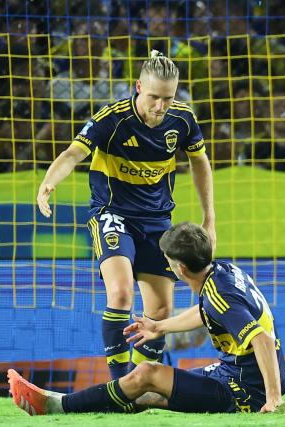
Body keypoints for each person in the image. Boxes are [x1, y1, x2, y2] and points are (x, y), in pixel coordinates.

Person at [36, 50, 216, 380]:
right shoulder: (112, 118)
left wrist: (209, 218)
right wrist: (49, 181)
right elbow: (73, 152)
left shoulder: (183, 119)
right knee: (120, 292)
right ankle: (119, 384)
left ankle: (137, 380)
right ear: (137, 87)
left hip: (158, 222)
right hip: (112, 213)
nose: (160, 106)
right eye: (153, 97)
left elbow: (200, 163)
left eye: (168, 98)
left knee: (160, 311)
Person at [8, 222, 285, 415]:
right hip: (237, 373)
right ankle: (69, 403)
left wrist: (273, 398)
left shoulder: (220, 296)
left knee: (147, 374)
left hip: (246, 390)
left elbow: (263, 340)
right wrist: (159, 327)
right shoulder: (221, 274)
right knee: (148, 391)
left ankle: (55, 405)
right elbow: (207, 311)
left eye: (167, 260)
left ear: (179, 268)